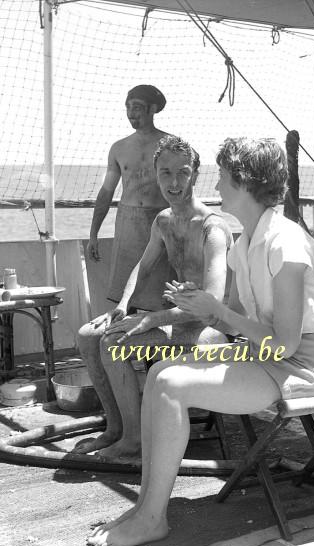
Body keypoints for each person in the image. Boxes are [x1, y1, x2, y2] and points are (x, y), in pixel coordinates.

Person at [86, 137, 314, 546]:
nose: (218, 185)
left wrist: (219, 314)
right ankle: (146, 507)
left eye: (225, 177)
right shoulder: (246, 244)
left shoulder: (286, 244)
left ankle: (153, 518)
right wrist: (199, 307)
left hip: (300, 366)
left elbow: (283, 343)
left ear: (246, 182)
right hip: (264, 355)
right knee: (160, 372)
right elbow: (228, 315)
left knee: (175, 386)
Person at [77, 135, 233, 459]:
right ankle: (117, 429)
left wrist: (152, 318)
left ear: (196, 175)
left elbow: (214, 302)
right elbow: (143, 267)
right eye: (165, 173)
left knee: (114, 344)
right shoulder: (163, 221)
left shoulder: (212, 228)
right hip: (175, 320)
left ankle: (134, 439)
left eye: (183, 172)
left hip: (209, 329)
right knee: (89, 336)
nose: (174, 182)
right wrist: (121, 307)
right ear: (155, 173)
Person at [87, 84, 174, 309]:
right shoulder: (119, 148)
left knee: (162, 294)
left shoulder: (171, 146)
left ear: (152, 109)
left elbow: (184, 189)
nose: (131, 113)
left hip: (162, 222)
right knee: (127, 296)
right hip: (128, 224)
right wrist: (93, 234)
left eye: (137, 107)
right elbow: (107, 191)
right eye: (128, 107)